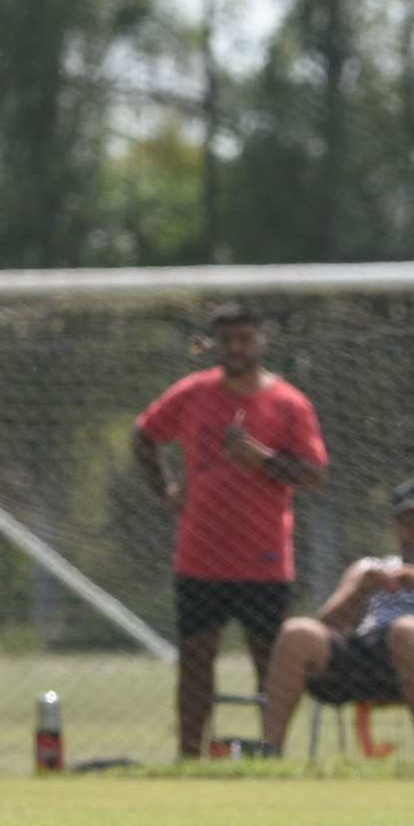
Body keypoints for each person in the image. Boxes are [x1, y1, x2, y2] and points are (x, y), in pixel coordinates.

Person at [132, 303, 328, 759]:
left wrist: (261, 458)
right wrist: (165, 489)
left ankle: (273, 752)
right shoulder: (192, 394)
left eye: (245, 338)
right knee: (197, 662)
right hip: (200, 556)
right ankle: (188, 757)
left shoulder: (289, 403)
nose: (236, 348)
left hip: (264, 559)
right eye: (227, 340)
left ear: (261, 342)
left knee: (270, 663)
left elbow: (315, 476)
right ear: (213, 345)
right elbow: (143, 435)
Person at [260, 480, 414, 761]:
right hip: (366, 655)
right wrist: (361, 591)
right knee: (296, 631)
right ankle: (270, 751)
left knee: (405, 629)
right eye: (406, 523)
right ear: (394, 527)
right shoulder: (368, 567)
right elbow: (327, 625)